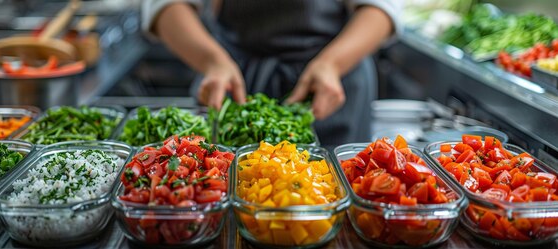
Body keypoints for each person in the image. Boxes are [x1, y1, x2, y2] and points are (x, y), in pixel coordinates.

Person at [142, 0, 401, 148]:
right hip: (233, 75)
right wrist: (212, 61)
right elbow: (165, 5)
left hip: (334, 77)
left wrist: (332, 64)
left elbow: (381, 7)